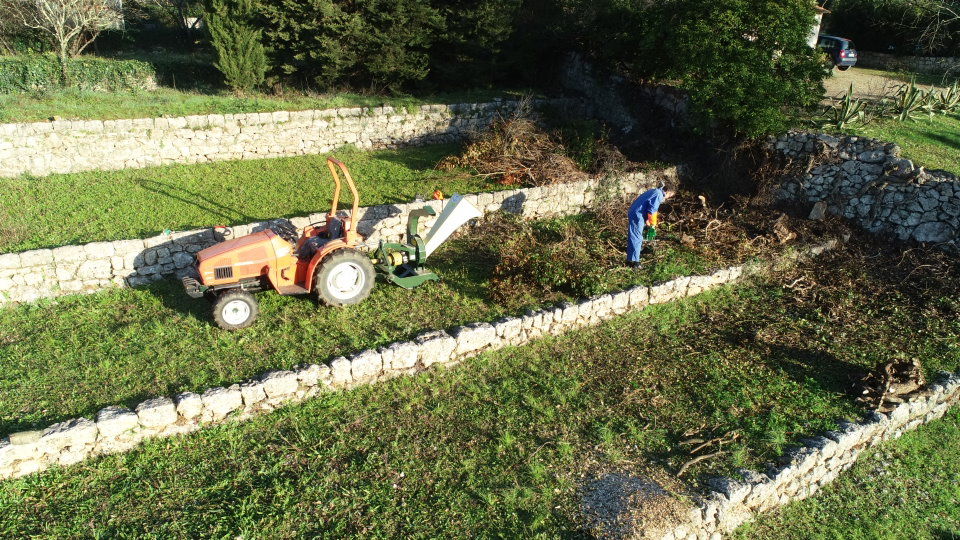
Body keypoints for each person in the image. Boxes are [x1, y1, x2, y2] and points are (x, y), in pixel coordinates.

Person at [627, 183, 675, 267]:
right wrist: (653, 224)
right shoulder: (658, 194)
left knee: (637, 235)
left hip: (639, 212)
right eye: (670, 196)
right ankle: (635, 262)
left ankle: (634, 254)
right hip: (637, 214)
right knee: (637, 236)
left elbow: (646, 205)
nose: (668, 198)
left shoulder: (655, 191)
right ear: (668, 192)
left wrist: (647, 220)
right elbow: (652, 210)